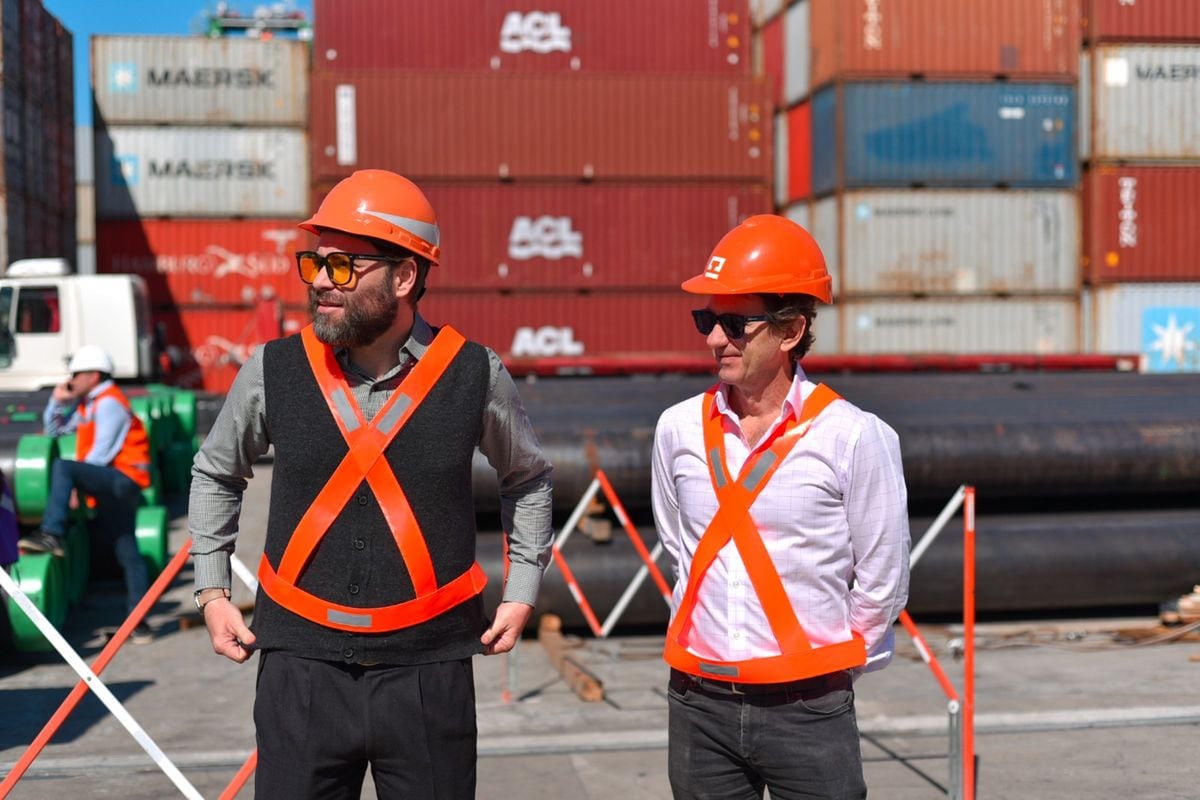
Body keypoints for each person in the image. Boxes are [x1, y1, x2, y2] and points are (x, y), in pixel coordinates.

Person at [189, 169, 553, 799]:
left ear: (404, 276)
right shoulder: (272, 369)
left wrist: (521, 591)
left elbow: (529, 478)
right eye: (316, 264)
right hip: (299, 670)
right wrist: (212, 589)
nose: (322, 282)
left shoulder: (474, 374)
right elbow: (216, 471)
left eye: (344, 266)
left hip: (429, 674)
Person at [651, 215, 910, 799]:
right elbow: (681, 552)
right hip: (698, 704)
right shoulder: (676, 430)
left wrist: (821, 672)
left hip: (808, 711)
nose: (715, 338)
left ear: (791, 330)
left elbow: (883, 581)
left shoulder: (853, 437)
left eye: (735, 323)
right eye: (705, 320)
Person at [18, 345, 154, 642]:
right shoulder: (89, 404)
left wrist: (79, 482)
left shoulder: (108, 404)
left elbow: (100, 454)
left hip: (123, 480)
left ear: (93, 376)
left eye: (76, 375)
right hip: (115, 482)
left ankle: (52, 532)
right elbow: (55, 430)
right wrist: (56, 400)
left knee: (64, 467)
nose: (72, 380)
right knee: (128, 551)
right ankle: (139, 625)